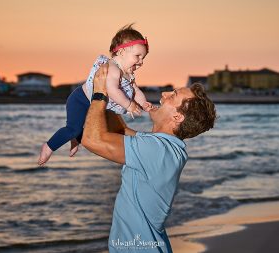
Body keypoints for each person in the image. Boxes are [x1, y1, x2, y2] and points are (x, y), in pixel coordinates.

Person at [82, 64, 217, 252]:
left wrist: (99, 94)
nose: (163, 94)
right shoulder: (163, 147)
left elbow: (91, 140)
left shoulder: (158, 150)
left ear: (177, 117)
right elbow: (120, 131)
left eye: (173, 95)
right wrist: (115, 91)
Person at [38, 24, 151, 166]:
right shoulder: (112, 68)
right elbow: (112, 90)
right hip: (80, 100)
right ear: (121, 52)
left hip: (95, 105)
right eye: (138, 56)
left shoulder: (128, 74)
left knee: (91, 131)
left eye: (143, 58)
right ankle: (49, 146)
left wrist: (143, 103)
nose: (141, 62)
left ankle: (75, 138)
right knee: (73, 128)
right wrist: (128, 105)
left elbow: (135, 91)